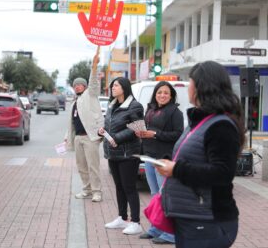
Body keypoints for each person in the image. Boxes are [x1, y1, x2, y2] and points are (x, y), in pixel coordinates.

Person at [155, 61, 245, 248]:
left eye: (190, 83)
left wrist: (177, 169)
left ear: (202, 88)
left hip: (208, 220)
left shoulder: (221, 125)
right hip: (192, 217)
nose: (188, 88)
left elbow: (222, 173)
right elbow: (195, 156)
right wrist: (171, 162)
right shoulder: (200, 121)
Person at [135, 81, 184, 245]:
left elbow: (177, 134)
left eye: (166, 93)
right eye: (159, 92)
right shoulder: (150, 109)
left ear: (171, 96)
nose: (162, 95)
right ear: (155, 94)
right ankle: (156, 228)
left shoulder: (175, 112)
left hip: (163, 158)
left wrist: (154, 134)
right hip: (149, 156)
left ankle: (170, 234)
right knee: (155, 196)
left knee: (166, 196)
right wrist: (142, 133)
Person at [98, 77, 144, 235]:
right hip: (113, 153)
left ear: (124, 87)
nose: (112, 88)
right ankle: (122, 218)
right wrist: (102, 130)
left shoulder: (134, 106)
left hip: (128, 153)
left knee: (129, 187)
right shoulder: (112, 105)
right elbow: (109, 125)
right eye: (112, 86)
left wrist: (117, 138)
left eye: (115, 85)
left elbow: (137, 128)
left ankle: (136, 222)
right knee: (119, 187)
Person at [65, 46, 104, 202]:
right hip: (78, 138)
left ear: (85, 86)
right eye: (75, 85)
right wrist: (68, 137)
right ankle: (86, 189)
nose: (77, 87)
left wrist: (93, 67)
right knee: (81, 167)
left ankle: (97, 192)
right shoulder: (75, 102)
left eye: (80, 84)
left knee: (93, 166)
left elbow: (93, 81)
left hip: (90, 137)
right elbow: (72, 123)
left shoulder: (91, 94)